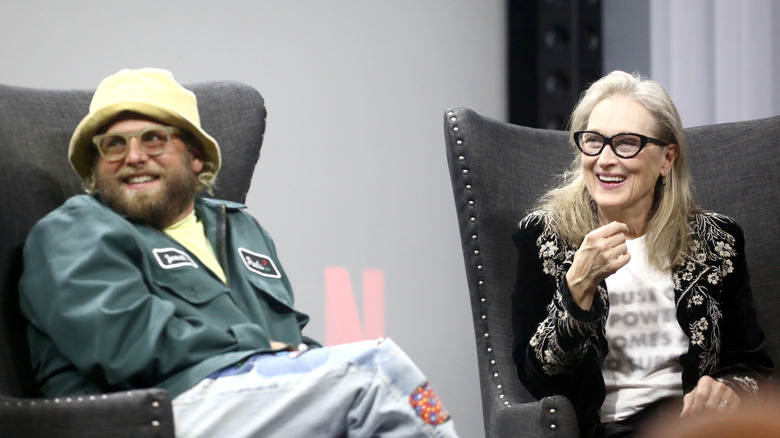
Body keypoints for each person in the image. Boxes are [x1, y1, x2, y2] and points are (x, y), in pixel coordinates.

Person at [19, 68, 458, 438]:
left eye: (153, 139)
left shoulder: (241, 227)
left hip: (240, 404)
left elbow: (288, 340)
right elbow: (124, 345)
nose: (133, 156)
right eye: (113, 144)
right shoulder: (73, 230)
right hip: (140, 416)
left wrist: (308, 365)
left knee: (353, 400)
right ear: (95, 165)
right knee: (375, 372)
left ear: (194, 156)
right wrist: (264, 350)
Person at [510, 70, 773, 437]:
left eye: (626, 143)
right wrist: (576, 291)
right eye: (594, 141)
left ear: (667, 158)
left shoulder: (717, 240)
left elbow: (750, 364)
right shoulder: (544, 237)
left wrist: (727, 392)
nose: (605, 159)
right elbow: (537, 379)